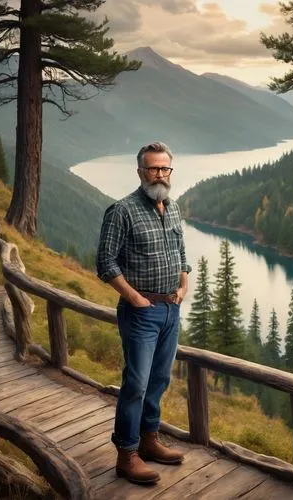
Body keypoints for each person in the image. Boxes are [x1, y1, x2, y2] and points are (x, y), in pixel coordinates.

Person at [96, 142, 191, 485]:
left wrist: (183, 287)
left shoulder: (174, 208)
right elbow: (105, 263)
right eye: (152, 168)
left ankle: (150, 441)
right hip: (142, 313)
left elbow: (181, 253)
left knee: (159, 380)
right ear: (140, 172)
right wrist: (135, 299)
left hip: (170, 310)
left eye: (165, 169)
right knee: (135, 384)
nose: (159, 175)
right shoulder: (122, 211)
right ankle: (127, 454)